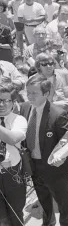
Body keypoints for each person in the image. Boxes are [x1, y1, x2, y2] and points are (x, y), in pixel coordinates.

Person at [20, 74, 68, 226]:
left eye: (34, 93)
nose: (29, 96)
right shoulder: (24, 108)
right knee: (44, 200)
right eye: (27, 92)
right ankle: (48, 221)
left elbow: (66, 142)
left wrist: (61, 161)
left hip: (54, 170)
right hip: (33, 167)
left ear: (46, 93)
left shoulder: (58, 114)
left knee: (64, 206)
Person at [0, 81, 27, 226]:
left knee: (16, 215)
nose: (2, 104)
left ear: (13, 102)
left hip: (13, 174)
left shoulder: (19, 119)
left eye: (6, 101)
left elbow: (12, 138)